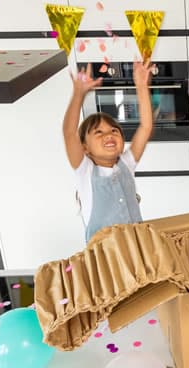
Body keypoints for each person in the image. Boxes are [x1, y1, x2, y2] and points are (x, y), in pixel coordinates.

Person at [63, 61, 155, 243]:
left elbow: (146, 126)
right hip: (105, 257)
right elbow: (69, 132)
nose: (109, 135)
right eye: (99, 132)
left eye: (114, 130)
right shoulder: (85, 171)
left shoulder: (126, 164)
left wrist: (142, 86)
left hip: (138, 249)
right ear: (85, 147)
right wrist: (78, 94)